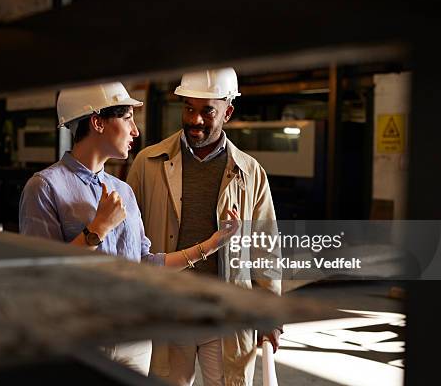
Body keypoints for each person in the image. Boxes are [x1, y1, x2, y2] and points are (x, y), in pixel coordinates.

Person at [19, 82, 239, 376]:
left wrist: (213, 244)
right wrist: (97, 230)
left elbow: (145, 264)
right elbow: (40, 276)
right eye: (127, 118)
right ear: (97, 122)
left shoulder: (122, 191)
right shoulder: (45, 186)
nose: (135, 131)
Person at [127, 68, 283, 385]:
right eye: (189, 109)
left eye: (207, 111)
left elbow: (265, 247)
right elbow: (127, 240)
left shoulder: (249, 172)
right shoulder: (148, 163)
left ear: (228, 111)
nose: (195, 120)